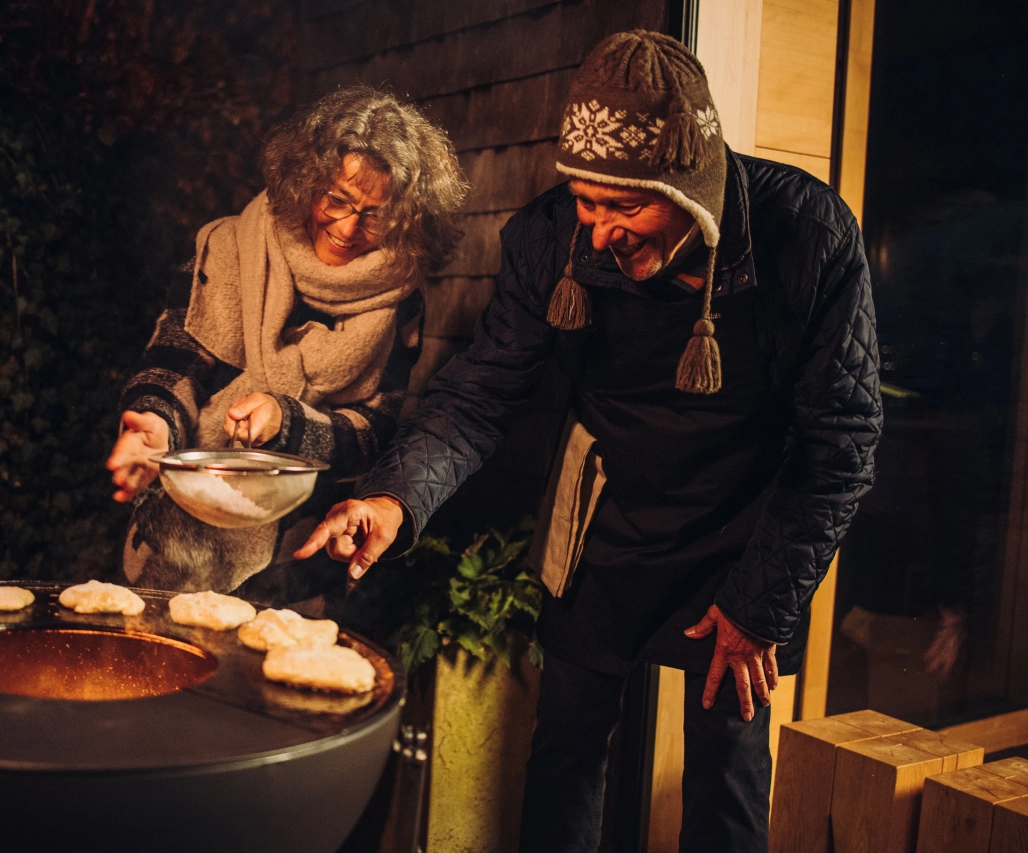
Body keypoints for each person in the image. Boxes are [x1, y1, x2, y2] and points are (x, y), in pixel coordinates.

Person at [298, 31, 882, 853]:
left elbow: (842, 443)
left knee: (729, 773)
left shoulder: (806, 234)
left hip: (744, 532)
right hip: (605, 516)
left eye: (626, 205)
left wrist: (762, 605)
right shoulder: (549, 238)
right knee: (564, 749)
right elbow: (479, 393)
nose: (600, 230)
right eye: (586, 200)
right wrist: (395, 495)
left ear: (691, 188)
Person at [107, 86, 466, 609]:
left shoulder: (400, 303)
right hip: (180, 543)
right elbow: (176, 359)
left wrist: (287, 422)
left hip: (301, 562)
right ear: (307, 182)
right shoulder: (230, 247)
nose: (346, 228)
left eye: (373, 214)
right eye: (337, 200)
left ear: (407, 217)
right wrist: (152, 422)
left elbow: (374, 433)